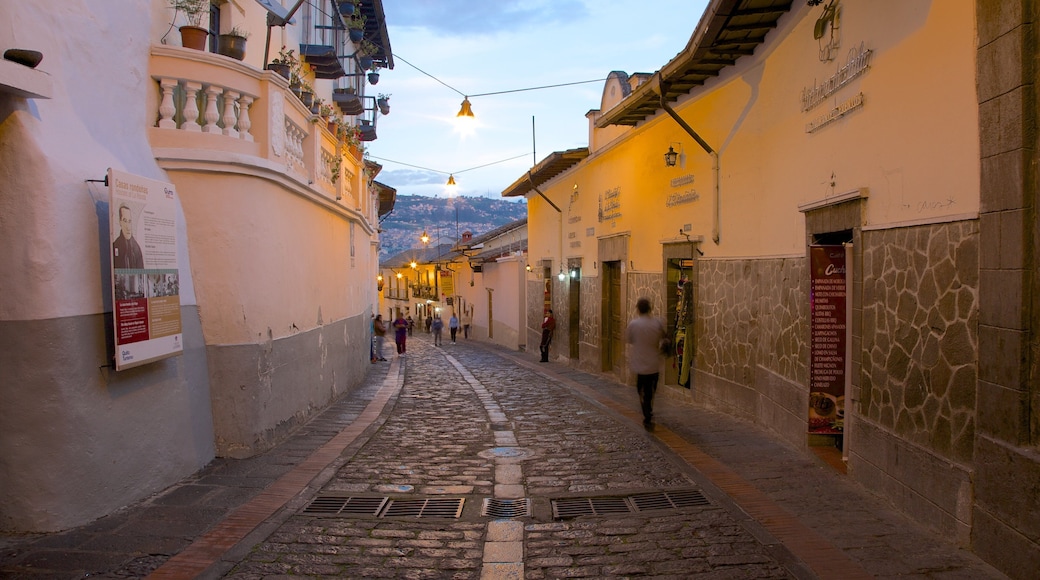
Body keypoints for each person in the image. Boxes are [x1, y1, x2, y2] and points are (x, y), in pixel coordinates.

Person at [626, 297, 667, 427]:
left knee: (641, 390)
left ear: (638, 309)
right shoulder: (658, 323)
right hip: (654, 363)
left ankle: (647, 413)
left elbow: (629, 339)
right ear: (650, 308)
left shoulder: (633, 324)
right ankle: (648, 412)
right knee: (650, 391)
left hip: (639, 364)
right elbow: (664, 338)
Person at [112, 203, 144, 269]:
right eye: (125, 221)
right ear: (120, 222)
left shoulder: (137, 249)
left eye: (129, 221)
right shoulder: (115, 246)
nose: (128, 227)